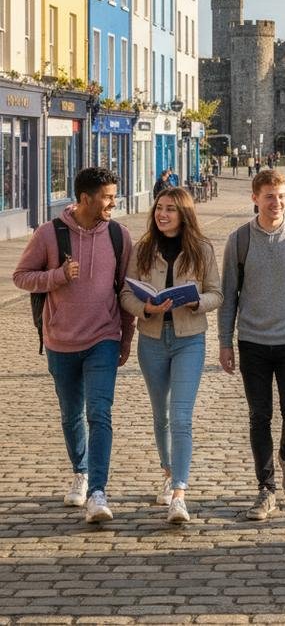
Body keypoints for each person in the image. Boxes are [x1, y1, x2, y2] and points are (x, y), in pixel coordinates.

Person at [13, 167, 134, 523]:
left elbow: (125, 289)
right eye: (108, 196)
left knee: (100, 413)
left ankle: (98, 491)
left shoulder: (119, 235)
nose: (113, 202)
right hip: (61, 339)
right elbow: (21, 277)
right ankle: (80, 473)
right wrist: (58, 276)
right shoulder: (49, 234)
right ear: (85, 199)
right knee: (71, 415)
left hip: (104, 338)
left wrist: (126, 337)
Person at [218, 170, 285, 520]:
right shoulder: (239, 240)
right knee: (259, 416)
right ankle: (265, 490)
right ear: (255, 198)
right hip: (252, 342)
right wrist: (225, 342)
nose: (276, 202)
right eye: (269, 196)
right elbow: (228, 296)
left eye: (280, 195)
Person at [120, 187, 222, 523]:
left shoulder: (201, 248)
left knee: (180, 417)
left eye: (170, 209)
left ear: (184, 214)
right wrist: (145, 307)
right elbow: (125, 293)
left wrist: (196, 302)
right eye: (159, 208)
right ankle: (167, 472)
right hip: (151, 339)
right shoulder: (143, 248)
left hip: (188, 340)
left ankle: (179, 492)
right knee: (160, 414)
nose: (162, 214)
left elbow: (216, 293)